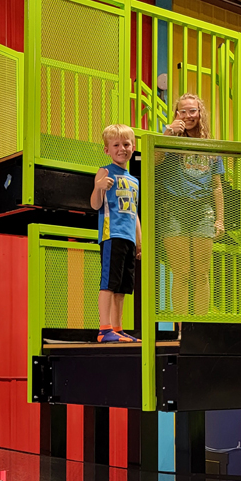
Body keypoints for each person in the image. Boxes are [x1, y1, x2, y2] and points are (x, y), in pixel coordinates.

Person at [157, 93, 225, 336]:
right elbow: (153, 161)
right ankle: (182, 330)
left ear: (200, 113)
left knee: (201, 272)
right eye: (182, 111)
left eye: (192, 111)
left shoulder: (210, 146)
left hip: (202, 209)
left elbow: (217, 185)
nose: (187, 116)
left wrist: (220, 219)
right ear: (176, 114)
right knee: (182, 271)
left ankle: (201, 330)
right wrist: (167, 134)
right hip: (174, 208)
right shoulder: (170, 139)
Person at [90, 124, 142, 343]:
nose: (122, 148)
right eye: (116, 145)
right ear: (107, 150)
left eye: (126, 144)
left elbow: (134, 213)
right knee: (109, 283)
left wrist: (139, 242)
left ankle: (118, 328)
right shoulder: (105, 171)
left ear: (133, 147)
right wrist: (99, 187)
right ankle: (104, 328)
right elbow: (94, 205)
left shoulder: (134, 180)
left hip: (129, 238)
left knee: (122, 286)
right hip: (113, 234)